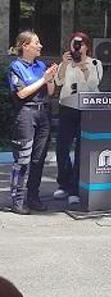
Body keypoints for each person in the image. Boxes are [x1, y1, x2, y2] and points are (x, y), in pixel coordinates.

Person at [7, 31, 58, 214]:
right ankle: (17, 199)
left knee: (39, 159)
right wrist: (43, 79)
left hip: (43, 113)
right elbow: (21, 94)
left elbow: (50, 92)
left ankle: (33, 197)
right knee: (22, 159)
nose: (40, 46)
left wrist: (50, 78)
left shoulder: (41, 65)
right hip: (26, 113)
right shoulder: (16, 66)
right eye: (36, 43)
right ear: (25, 46)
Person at [53, 32, 104, 206]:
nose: (76, 47)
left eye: (80, 44)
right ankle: (63, 183)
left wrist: (84, 67)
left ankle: (75, 188)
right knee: (62, 147)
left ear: (86, 46)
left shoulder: (95, 63)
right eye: (74, 44)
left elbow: (93, 85)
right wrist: (64, 65)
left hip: (86, 110)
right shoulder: (65, 62)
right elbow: (58, 82)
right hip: (67, 108)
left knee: (81, 149)